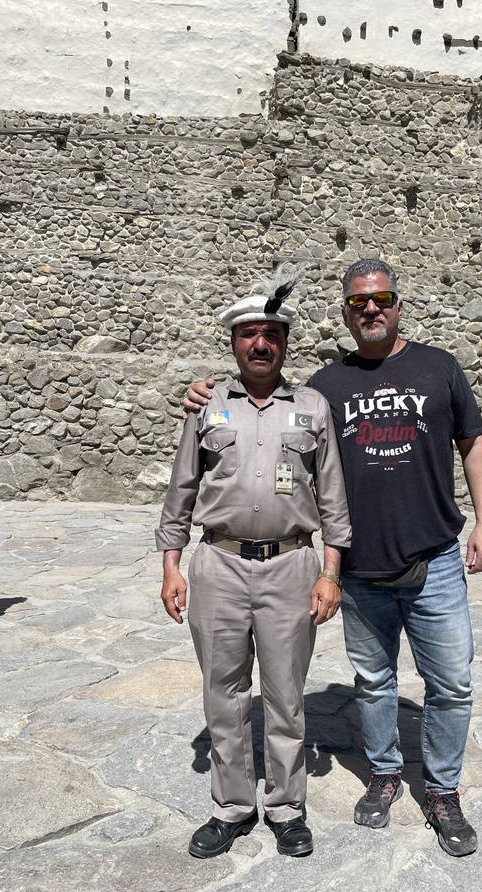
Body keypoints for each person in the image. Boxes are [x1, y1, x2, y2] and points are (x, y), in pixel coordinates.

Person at [184, 258, 482, 858]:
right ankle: (382, 774)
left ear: (398, 303)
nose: (371, 309)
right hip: (358, 569)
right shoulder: (327, 386)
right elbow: (268, 405)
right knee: (374, 683)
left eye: (380, 299)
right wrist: (205, 392)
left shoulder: (439, 367)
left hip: (433, 559)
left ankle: (443, 790)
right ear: (345, 312)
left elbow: (473, 443)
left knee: (452, 685)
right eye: (358, 303)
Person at [156, 274, 351, 859]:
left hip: (292, 564)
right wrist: (172, 566)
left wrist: (330, 571)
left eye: (271, 334)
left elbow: (334, 497)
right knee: (225, 693)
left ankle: (287, 807)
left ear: (284, 344)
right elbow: (181, 490)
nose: (260, 344)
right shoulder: (206, 406)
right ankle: (233, 806)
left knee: (287, 695)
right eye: (249, 335)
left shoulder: (313, 408)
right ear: (234, 343)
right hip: (218, 563)